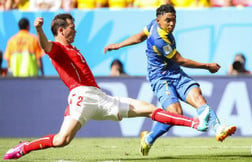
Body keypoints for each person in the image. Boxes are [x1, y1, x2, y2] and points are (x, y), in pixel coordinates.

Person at [3, 13, 211, 160]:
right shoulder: (56, 48)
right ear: (61, 30)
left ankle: (195, 124)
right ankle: (25, 147)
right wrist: (38, 29)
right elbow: (45, 46)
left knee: (149, 109)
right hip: (82, 98)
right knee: (61, 140)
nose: (75, 31)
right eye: (72, 28)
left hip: (102, 98)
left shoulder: (72, 48)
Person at [104, 4, 237, 156]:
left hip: (175, 73)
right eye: (168, 20)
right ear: (159, 20)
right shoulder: (159, 39)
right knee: (175, 113)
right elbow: (180, 60)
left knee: (198, 96)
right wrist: (207, 66)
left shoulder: (153, 25)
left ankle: (219, 128)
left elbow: (140, 36)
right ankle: (149, 138)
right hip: (160, 78)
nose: (172, 24)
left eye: (174, 20)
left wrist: (119, 45)